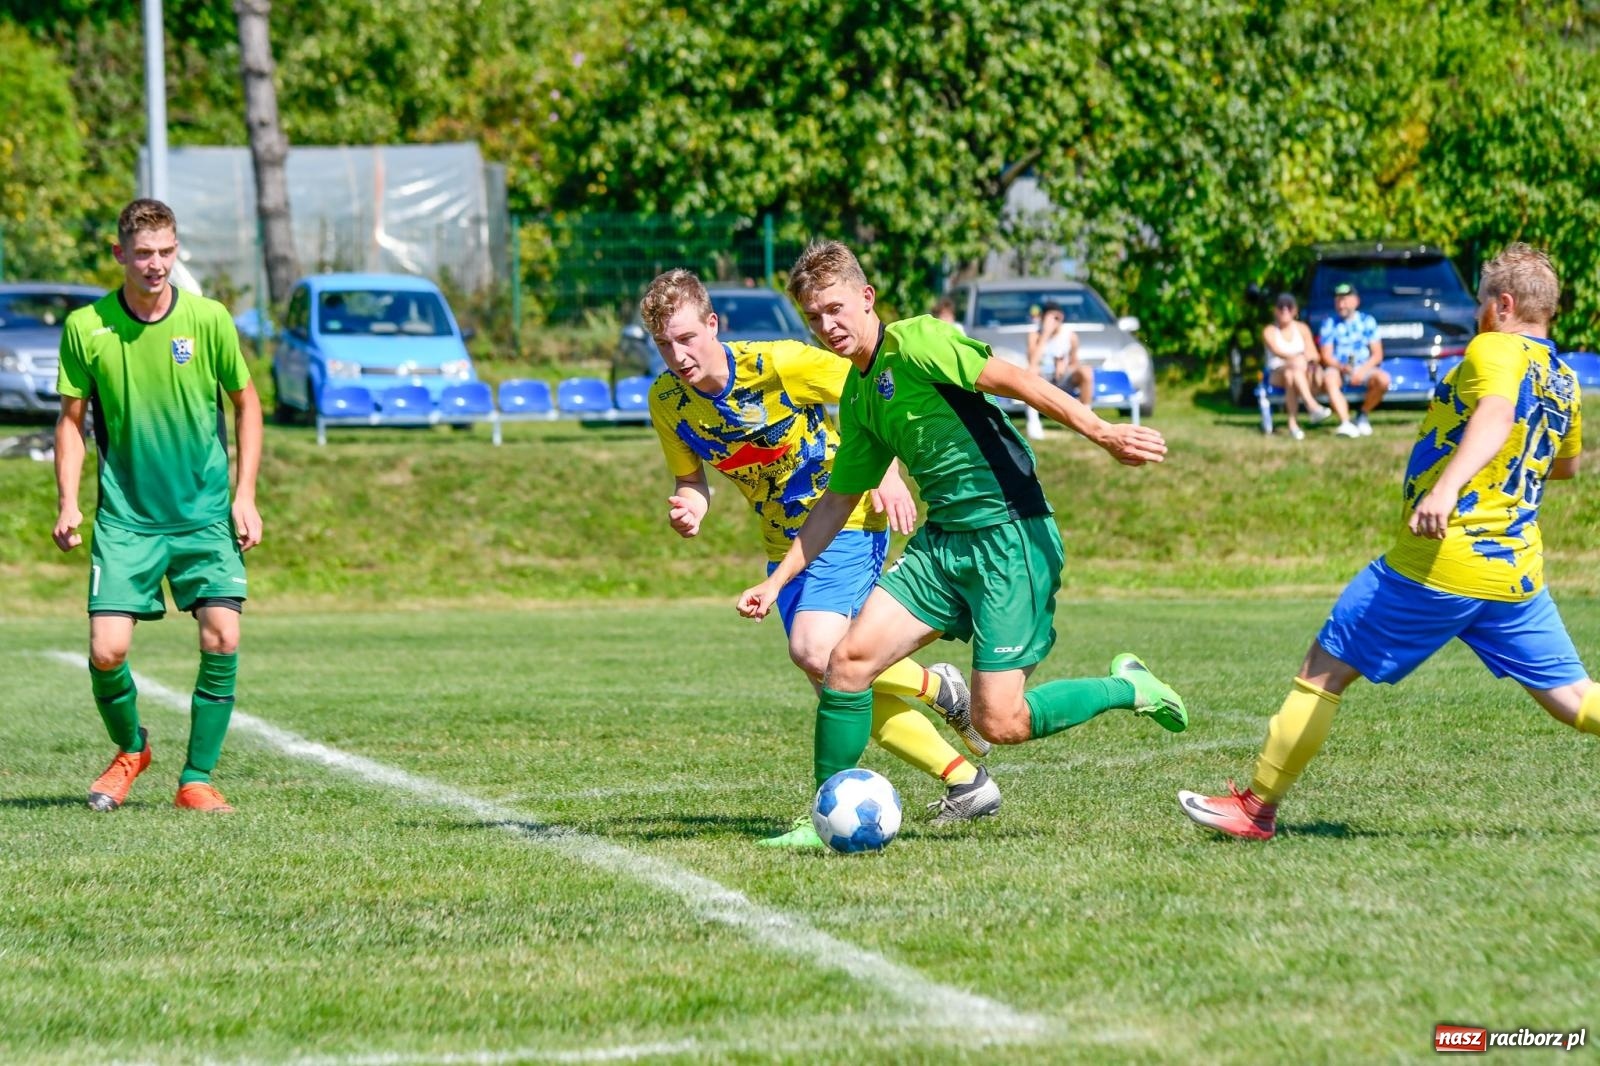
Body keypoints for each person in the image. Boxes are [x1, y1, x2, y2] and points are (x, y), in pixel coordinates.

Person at [736, 240, 1188, 811]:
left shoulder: (918, 341)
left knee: (1000, 721)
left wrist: (1101, 431)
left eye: (836, 309)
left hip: (1010, 536)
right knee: (845, 664)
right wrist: (776, 583)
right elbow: (834, 503)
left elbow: (1013, 379)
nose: (827, 325)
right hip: (942, 545)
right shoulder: (857, 395)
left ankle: (1130, 687)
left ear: (867, 298)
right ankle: (820, 812)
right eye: (814, 317)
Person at [1179, 243, 1593, 841]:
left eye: (1481, 300)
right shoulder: (1563, 377)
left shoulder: (1495, 347)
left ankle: (1254, 808)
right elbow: (1566, 467)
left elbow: (1497, 416)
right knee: (1576, 700)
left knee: (1324, 669)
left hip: (1442, 559)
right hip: (1515, 569)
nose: (1477, 312)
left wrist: (1448, 488)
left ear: (1504, 306)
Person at [641, 268, 998, 848]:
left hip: (847, 520)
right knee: (836, 682)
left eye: (686, 338)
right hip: (785, 546)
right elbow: (690, 478)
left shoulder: (778, 362)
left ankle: (933, 699)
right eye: (663, 344)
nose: (677, 355)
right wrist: (690, 506)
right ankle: (965, 779)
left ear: (712, 324)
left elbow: (871, 392)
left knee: (816, 651)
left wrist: (885, 471)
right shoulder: (667, 402)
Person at [53, 198, 263, 814]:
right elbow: (71, 422)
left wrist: (244, 496)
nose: (156, 265)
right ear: (120, 254)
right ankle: (130, 749)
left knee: (222, 638)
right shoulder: (86, 328)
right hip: (127, 519)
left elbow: (247, 404)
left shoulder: (209, 319)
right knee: (106, 652)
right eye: (143, 253)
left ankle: (196, 778)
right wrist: (68, 500)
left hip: (203, 515)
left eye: (166, 252)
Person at [1317, 282, 1389, 437]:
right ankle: (1345, 423)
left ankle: (1362, 414)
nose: (1341, 304)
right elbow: (1326, 355)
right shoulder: (1329, 323)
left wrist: (1362, 371)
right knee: (1329, 378)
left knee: (1383, 380)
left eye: (1345, 300)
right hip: (1338, 368)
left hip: (1364, 366)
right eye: (1338, 300)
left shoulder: (1367, 321)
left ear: (1356, 301)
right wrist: (1341, 367)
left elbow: (1377, 354)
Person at [1263, 293, 1330, 439]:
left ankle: (1293, 424)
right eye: (1281, 307)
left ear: (1295, 310)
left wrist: (1308, 361)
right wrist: (1299, 358)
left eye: (1289, 306)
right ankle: (1312, 406)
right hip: (1276, 372)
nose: (1284, 310)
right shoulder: (1269, 331)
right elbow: (1277, 352)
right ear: (1275, 310)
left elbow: (1313, 353)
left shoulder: (1302, 328)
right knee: (1292, 368)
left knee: (1291, 375)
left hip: (1298, 373)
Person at [1023, 301, 1091, 442]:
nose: (1055, 322)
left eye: (1058, 318)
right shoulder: (1035, 335)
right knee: (1032, 371)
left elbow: (1074, 362)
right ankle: (1033, 421)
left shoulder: (1070, 336)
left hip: (1063, 377)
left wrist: (1064, 367)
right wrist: (1045, 335)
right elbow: (1032, 363)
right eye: (1052, 318)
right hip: (1042, 378)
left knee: (1086, 371)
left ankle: (1086, 419)